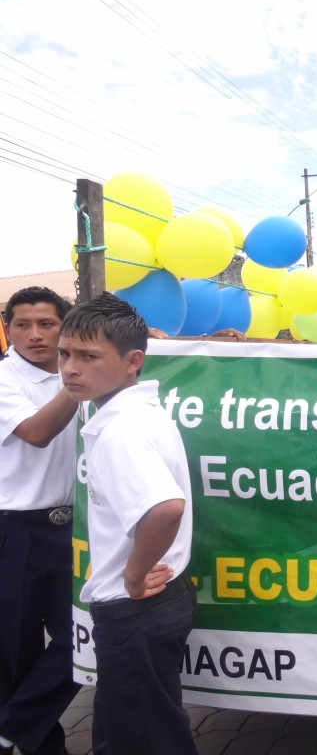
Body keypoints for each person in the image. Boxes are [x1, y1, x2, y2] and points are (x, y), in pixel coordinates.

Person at [57, 293, 198, 755]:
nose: (70, 368)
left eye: (88, 357)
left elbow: (165, 508)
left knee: (141, 738)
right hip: (157, 602)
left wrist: (133, 576)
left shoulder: (121, 431)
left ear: (133, 361)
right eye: (65, 354)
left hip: (137, 606)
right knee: (138, 728)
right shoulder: (134, 414)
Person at [0, 287, 81, 755]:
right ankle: (42, 744)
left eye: (47, 324)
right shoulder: (6, 379)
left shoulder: (80, 368)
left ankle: (11, 727)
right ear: (8, 328)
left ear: (63, 328)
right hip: (16, 532)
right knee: (17, 653)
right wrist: (82, 378)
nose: (34, 335)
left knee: (87, 638)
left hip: (74, 531)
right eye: (22, 325)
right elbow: (36, 432)